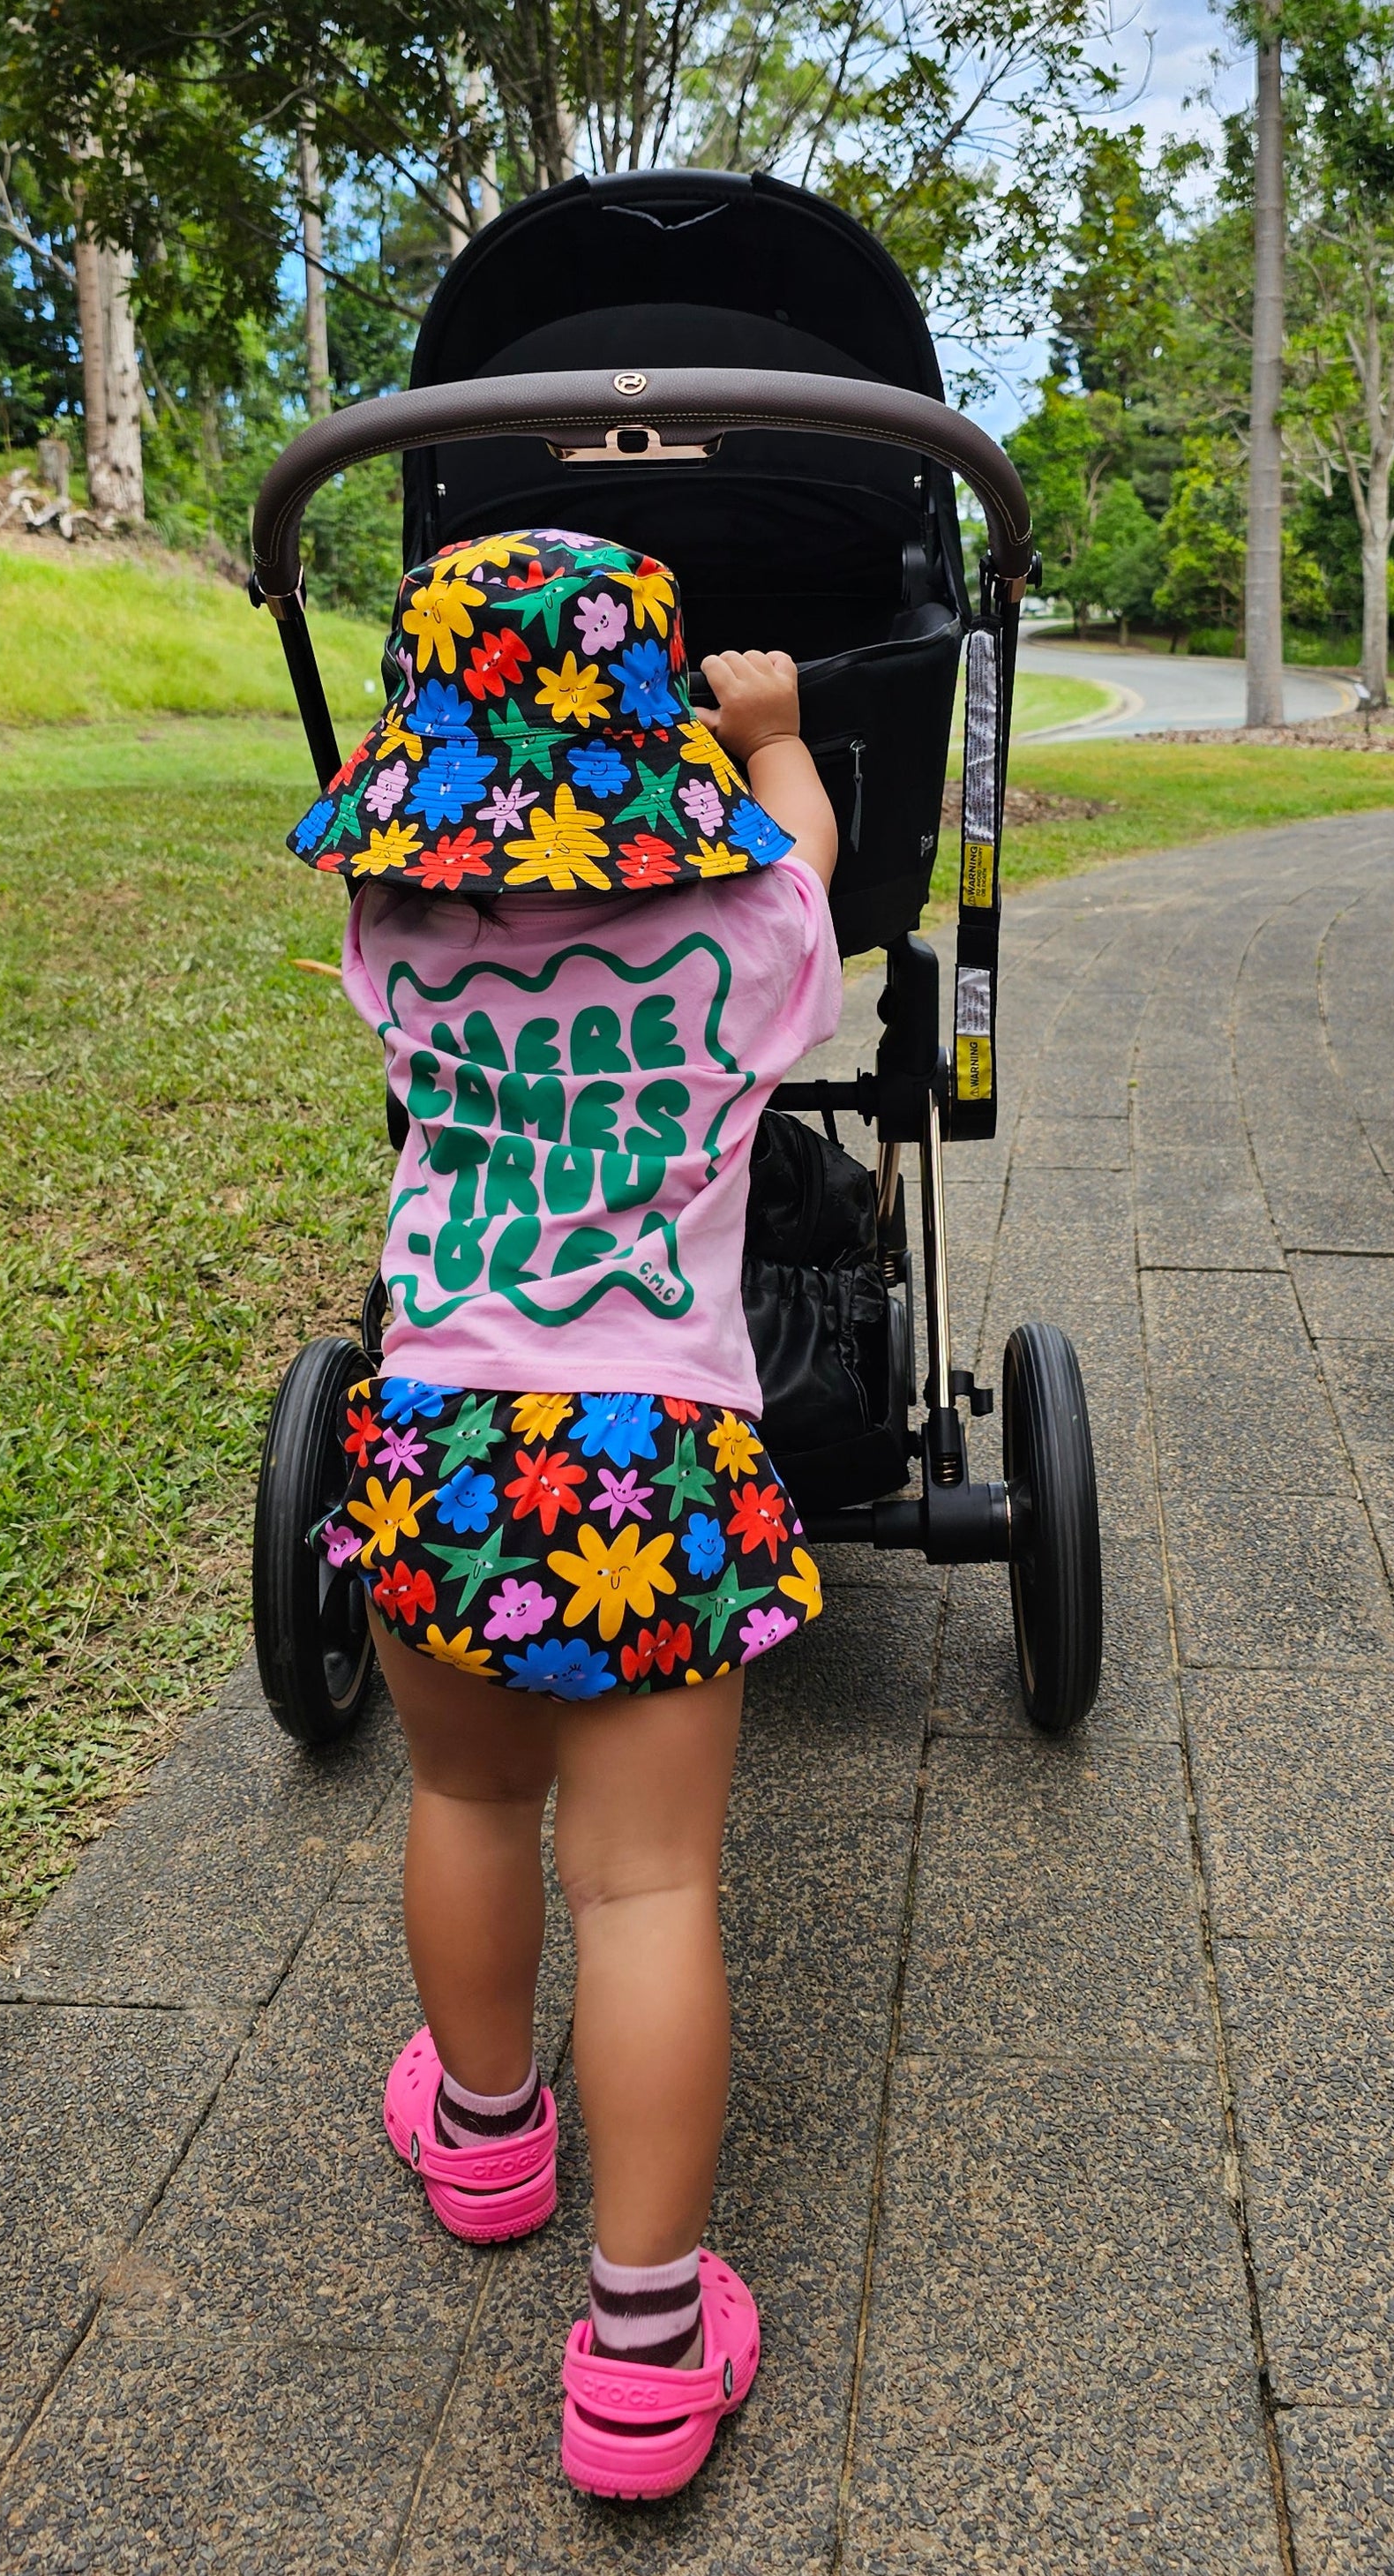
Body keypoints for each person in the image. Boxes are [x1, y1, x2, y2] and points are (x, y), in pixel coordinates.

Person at [289, 529, 840, 2501]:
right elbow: (803, 859)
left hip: (442, 1445)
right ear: (658, 738)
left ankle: (486, 2138)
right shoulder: (750, 941)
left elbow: (422, 852)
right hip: (655, 1462)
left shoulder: (394, 939)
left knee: (460, 1800)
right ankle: (642, 2347)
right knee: (647, 1888)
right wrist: (771, 734)